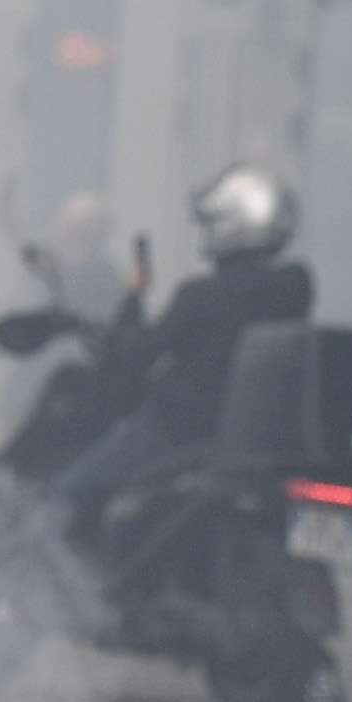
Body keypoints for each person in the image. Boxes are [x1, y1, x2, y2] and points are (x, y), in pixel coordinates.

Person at [49, 161, 310, 543]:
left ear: (232, 225)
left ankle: (86, 590)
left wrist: (134, 298)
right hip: (256, 443)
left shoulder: (200, 296)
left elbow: (139, 356)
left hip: (180, 433)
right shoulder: (296, 289)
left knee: (67, 492)